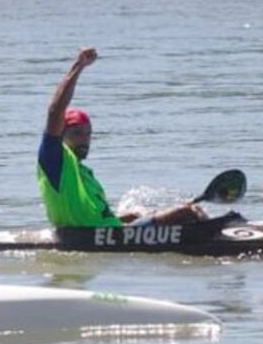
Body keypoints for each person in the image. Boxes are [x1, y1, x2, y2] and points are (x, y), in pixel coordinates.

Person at [37, 47, 207, 228]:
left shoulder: (85, 174)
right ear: (61, 134)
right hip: (84, 237)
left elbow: (100, 218)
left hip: (102, 231)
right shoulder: (54, 160)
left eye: (88, 134)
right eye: (77, 133)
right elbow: (55, 111)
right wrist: (78, 66)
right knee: (188, 213)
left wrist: (129, 217)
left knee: (139, 213)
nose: (85, 139)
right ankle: (217, 240)